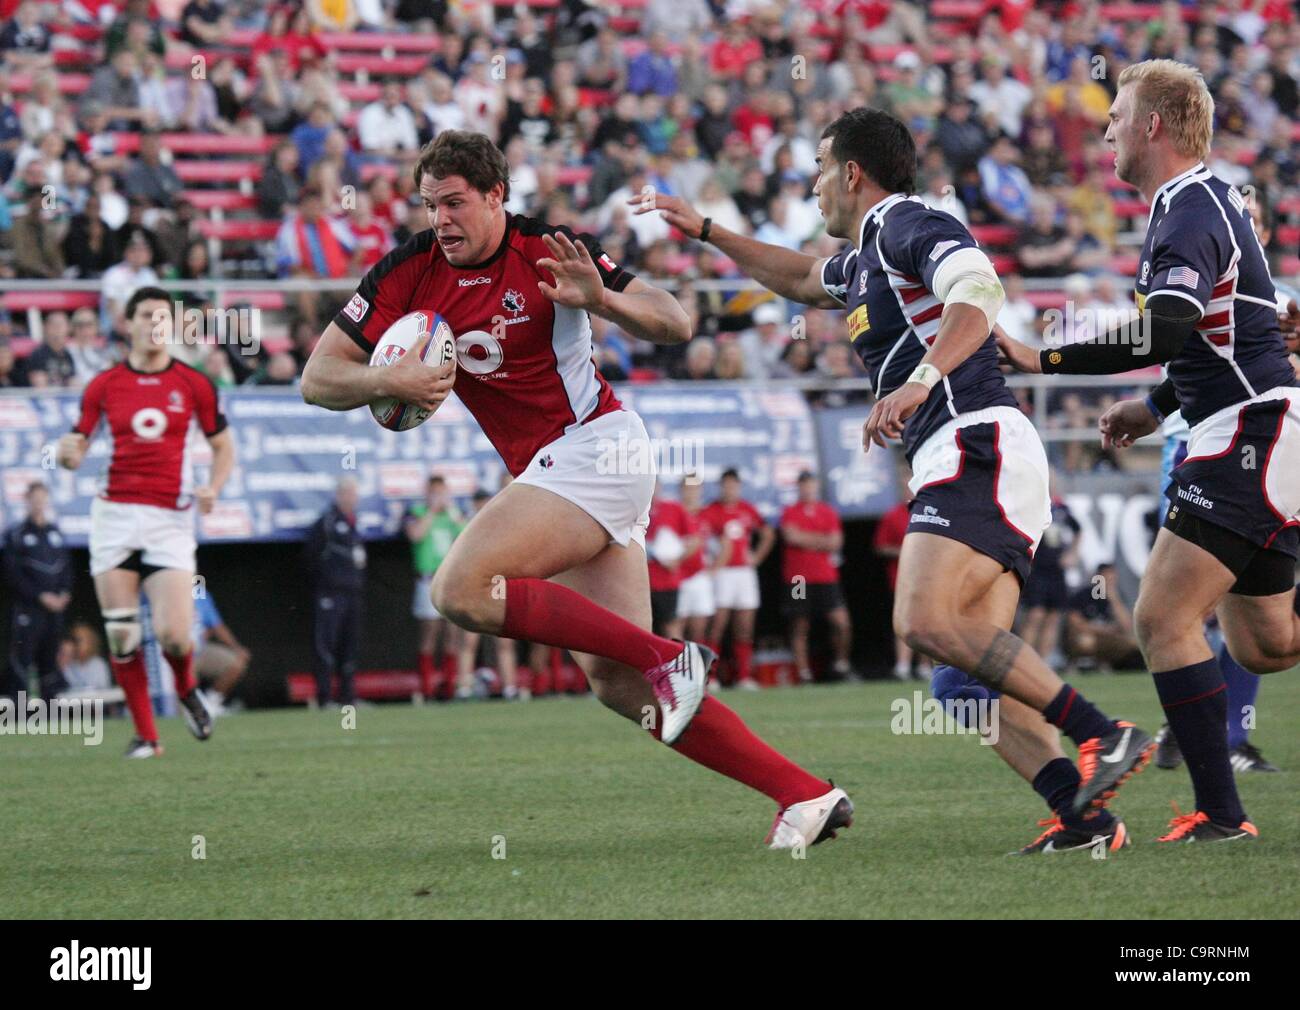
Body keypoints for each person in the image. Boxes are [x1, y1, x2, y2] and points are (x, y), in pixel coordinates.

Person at [300, 129, 851, 849]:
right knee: (615, 682)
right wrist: (385, 379)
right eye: (430, 205)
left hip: (597, 448)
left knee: (460, 589)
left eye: (455, 203)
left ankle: (668, 657)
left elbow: (676, 319)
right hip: (559, 469)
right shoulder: (409, 270)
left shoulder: (548, 247)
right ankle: (803, 793)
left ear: (497, 194)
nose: (440, 219)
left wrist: (604, 300)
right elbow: (317, 378)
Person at [641, 106, 1152, 854]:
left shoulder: (909, 222)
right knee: (960, 679)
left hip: (974, 436)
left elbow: (978, 296)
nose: (813, 186)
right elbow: (800, 278)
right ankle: (1084, 821)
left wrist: (918, 379)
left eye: (819, 169)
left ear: (851, 173)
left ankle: (1103, 732)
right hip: (974, 450)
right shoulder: (864, 259)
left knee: (920, 623)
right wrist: (710, 233)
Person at [999, 60, 1300, 843]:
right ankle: (1219, 811)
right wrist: (1156, 402)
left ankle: (1221, 817)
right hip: (1255, 425)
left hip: (1246, 432)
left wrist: (1044, 358)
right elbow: (1233, 334)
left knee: (1161, 616)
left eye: (1116, 116)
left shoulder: (1189, 206)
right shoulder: (1202, 202)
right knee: (1265, 645)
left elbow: (1170, 329)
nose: (1105, 132)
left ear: (1153, 126)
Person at [57, 287, 234, 758]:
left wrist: (214, 487)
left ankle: (185, 686)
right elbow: (76, 444)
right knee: (121, 632)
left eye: (163, 317)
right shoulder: (104, 384)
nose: (155, 325)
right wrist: (66, 454)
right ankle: (146, 737)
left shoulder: (194, 384)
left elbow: (224, 445)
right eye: (146, 316)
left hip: (169, 519)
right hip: (113, 516)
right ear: (128, 324)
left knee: (175, 634)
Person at [699, 469, 772, 691]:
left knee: (745, 627)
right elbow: (701, 539)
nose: (729, 490)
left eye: (733, 485)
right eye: (726, 485)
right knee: (717, 626)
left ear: (739, 487)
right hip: (722, 574)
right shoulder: (710, 511)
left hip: (744, 574)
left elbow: (768, 533)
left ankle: (744, 677)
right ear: (720, 487)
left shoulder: (747, 509)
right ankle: (710, 678)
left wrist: (756, 557)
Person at [780, 471, 853, 684]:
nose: (807, 490)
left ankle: (841, 663)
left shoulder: (827, 512)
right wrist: (822, 540)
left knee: (841, 622)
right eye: (804, 486)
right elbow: (791, 536)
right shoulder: (790, 511)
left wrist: (806, 540)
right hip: (798, 579)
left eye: (810, 486)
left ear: (816, 487)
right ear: (799, 488)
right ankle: (804, 673)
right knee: (800, 624)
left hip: (826, 577)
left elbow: (836, 543)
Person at [2, 481, 72, 701]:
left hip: (54, 612)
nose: (39, 504)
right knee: (22, 658)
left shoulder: (55, 533)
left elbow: (67, 569)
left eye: (43, 499)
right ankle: (17, 712)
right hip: (28, 610)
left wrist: (64, 593)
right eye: (35, 499)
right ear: (27, 501)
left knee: (50, 659)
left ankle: (50, 713)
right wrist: (40, 596)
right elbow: (12, 574)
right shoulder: (16, 534)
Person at [303, 477, 367, 709]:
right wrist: (327, 583)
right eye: (348, 493)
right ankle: (324, 697)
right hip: (330, 594)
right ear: (338, 495)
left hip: (353, 593)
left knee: (350, 645)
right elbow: (311, 556)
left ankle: (348, 697)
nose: (352, 498)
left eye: (354, 494)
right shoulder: (327, 522)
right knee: (326, 645)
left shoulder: (353, 523)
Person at [404, 474, 463, 700]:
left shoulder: (453, 514)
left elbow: (467, 534)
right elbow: (415, 535)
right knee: (429, 633)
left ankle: (449, 687)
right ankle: (426, 688)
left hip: (451, 580)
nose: (439, 496)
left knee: (452, 633)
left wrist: (453, 513)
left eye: (442, 491)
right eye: (435, 491)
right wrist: (431, 511)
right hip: (428, 580)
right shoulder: (417, 513)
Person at [1018, 474, 1081, 669]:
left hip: (1056, 570)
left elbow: (1078, 529)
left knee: (1053, 616)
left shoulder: (1062, 509)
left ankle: (1042, 664)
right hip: (1037, 569)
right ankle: (1024, 662)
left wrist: (1072, 553)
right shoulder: (1031, 506)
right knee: (1035, 615)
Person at [872, 461, 926, 681]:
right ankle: (902, 665)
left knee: (926, 621)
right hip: (902, 576)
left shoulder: (926, 511)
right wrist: (906, 550)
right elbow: (880, 547)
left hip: (927, 576)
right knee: (905, 620)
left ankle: (924, 666)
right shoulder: (892, 515)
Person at [1064, 564, 1143, 672]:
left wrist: (1114, 599)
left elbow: (1127, 626)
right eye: (1106, 578)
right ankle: (1076, 663)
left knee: (1133, 642)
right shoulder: (1083, 595)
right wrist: (1105, 630)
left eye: (1112, 578)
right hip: (1089, 637)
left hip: (1108, 638)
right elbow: (1075, 623)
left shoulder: (1117, 598)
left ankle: (1107, 664)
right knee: (1086, 641)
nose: (1109, 582)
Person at [645, 479, 696, 641]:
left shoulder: (673, 508)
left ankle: (678, 665)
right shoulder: (634, 510)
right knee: (642, 629)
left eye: (654, 486)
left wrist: (676, 560)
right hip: (640, 581)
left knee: (671, 627)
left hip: (667, 581)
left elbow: (694, 540)